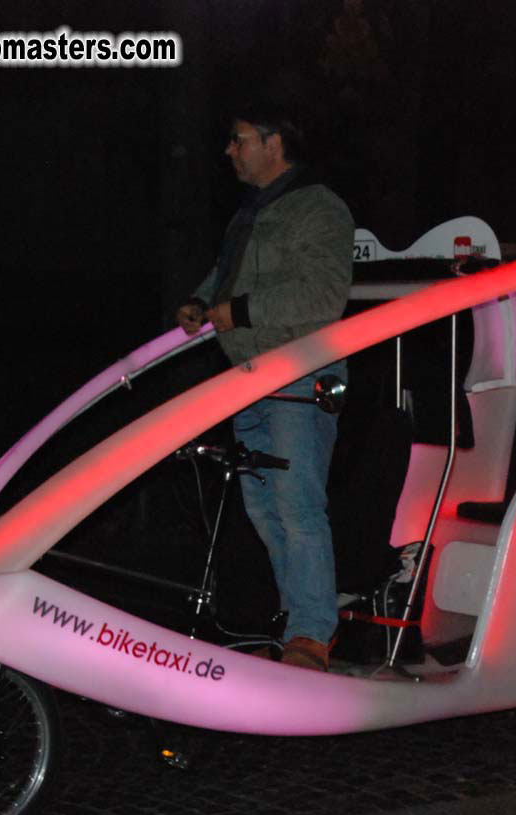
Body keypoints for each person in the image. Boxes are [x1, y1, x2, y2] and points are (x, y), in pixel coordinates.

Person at [177, 100, 354, 671]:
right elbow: (227, 275)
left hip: (300, 375)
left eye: (240, 139)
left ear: (274, 143)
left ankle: (312, 634)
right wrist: (202, 301)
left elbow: (323, 296)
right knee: (264, 508)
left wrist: (239, 312)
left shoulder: (318, 207)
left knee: (297, 506)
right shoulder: (251, 213)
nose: (229, 150)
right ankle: (298, 620)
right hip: (250, 380)